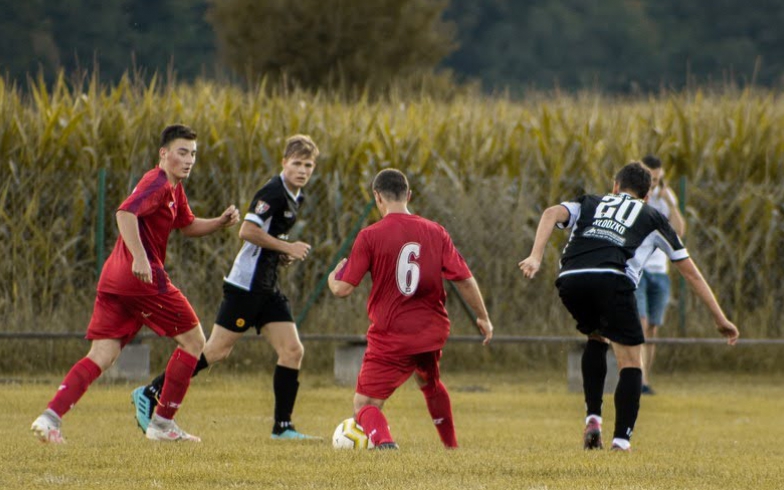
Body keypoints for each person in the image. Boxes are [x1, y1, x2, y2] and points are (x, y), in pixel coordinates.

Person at [31, 124, 241, 443]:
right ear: (164, 153)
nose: (189, 160)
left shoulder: (174, 188)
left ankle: (49, 419)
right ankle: (162, 424)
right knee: (195, 342)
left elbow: (187, 225)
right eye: (182, 152)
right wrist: (140, 257)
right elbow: (124, 213)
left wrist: (220, 223)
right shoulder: (156, 181)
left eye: (193, 154)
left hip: (115, 280)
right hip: (141, 279)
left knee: (102, 354)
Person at [518, 161, 738, 452]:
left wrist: (535, 256)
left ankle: (593, 418)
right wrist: (720, 319)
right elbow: (691, 273)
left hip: (571, 279)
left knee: (596, 336)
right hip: (612, 278)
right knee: (632, 362)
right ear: (647, 197)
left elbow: (550, 213)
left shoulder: (590, 201)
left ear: (615, 187)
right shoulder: (653, 216)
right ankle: (621, 442)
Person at [132, 134, 320, 440]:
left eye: (308, 165)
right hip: (246, 286)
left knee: (292, 350)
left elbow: (266, 238)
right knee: (217, 350)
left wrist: (278, 252)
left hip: (267, 286)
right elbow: (247, 231)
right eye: (296, 163)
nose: (302, 170)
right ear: (284, 163)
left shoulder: (296, 196)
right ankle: (151, 391)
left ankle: (282, 427)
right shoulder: (273, 191)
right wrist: (286, 248)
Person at [327, 168, 494, 450]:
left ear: (377, 197)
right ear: (409, 195)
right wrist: (483, 317)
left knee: (364, 405)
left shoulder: (370, 236)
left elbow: (343, 289)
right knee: (429, 381)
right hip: (431, 333)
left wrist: (334, 277)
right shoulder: (435, 231)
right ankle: (451, 447)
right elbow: (464, 279)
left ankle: (385, 444)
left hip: (392, 335)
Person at [635, 155, 686, 395]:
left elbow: (679, 231)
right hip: (639, 269)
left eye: (658, 179)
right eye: (651, 179)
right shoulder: (634, 194)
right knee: (641, 323)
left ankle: (646, 376)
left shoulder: (666, 197)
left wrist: (670, 203)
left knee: (652, 328)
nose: (654, 183)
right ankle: (640, 379)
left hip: (660, 270)